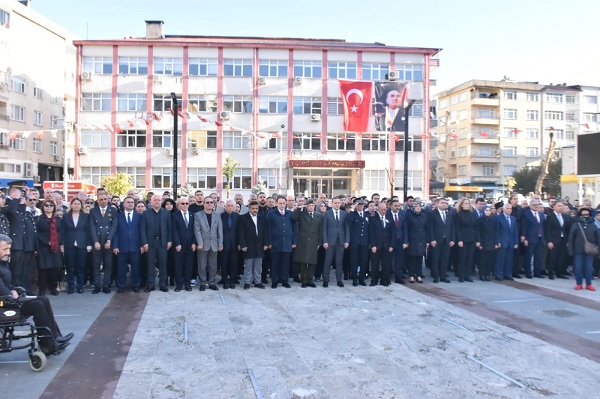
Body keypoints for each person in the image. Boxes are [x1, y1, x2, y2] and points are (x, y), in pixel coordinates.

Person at [0, 235, 73, 355]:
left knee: (43, 299)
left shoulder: (2, 263)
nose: (8, 252)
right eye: (4, 249)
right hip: (5, 305)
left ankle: (56, 337)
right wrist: (11, 294)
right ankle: (47, 345)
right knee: (37, 305)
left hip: (9, 299)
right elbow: (2, 289)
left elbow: (7, 283)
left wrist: (13, 290)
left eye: (9, 249)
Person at [6, 187, 37, 294]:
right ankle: (15, 290)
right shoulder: (8, 203)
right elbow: (11, 212)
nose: (22, 196)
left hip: (24, 244)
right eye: (21, 193)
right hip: (16, 243)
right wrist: (16, 198)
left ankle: (24, 289)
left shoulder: (18, 206)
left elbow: (21, 213)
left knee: (25, 269)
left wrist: (23, 200)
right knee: (16, 270)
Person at [60, 198, 92, 294]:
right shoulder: (66, 216)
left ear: (81, 205)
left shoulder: (85, 216)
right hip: (69, 244)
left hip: (82, 244)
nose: (77, 205)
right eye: (75, 204)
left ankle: (80, 286)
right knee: (70, 267)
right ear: (71, 205)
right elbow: (62, 231)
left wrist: (89, 244)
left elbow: (88, 231)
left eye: (78, 204)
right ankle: (70, 287)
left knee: (81, 267)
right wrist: (61, 244)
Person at [140, 195, 172, 292]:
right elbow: (142, 229)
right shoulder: (145, 213)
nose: (157, 202)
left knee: (163, 264)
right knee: (150, 265)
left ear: (161, 202)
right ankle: (151, 285)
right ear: (151, 202)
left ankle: (163, 285)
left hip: (162, 242)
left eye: (159, 200)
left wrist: (169, 240)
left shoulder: (166, 213)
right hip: (150, 243)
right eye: (155, 200)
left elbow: (169, 228)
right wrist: (144, 242)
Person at [89, 193, 118, 294]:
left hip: (108, 242)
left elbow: (114, 226)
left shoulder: (113, 210)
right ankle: (97, 286)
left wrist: (109, 240)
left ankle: (106, 285)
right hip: (97, 241)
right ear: (97, 201)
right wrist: (95, 241)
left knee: (108, 266)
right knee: (96, 265)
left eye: (105, 199)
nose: (103, 201)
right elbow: (92, 227)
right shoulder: (93, 211)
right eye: (101, 199)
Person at [112, 196, 143, 293]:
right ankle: (121, 285)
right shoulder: (118, 216)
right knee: (121, 267)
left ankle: (135, 285)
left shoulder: (139, 216)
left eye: (132, 202)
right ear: (123, 204)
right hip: (122, 246)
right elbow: (116, 232)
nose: (130, 204)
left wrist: (142, 245)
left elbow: (142, 232)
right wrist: (115, 246)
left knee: (136, 267)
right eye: (128, 202)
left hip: (135, 246)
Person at [266, 195, 297, 289]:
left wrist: (294, 241)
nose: (282, 205)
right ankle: (274, 281)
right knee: (275, 263)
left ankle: (284, 280)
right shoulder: (271, 214)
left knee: (285, 263)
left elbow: (295, 229)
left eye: (284, 203)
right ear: (276, 203)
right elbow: (268, 229)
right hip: (275, 243)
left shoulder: (290, 214)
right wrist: (269, 242)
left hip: (287, 243)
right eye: (280, 203)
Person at [194, 195, 223, 291]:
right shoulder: (198, 215)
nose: (210, 204)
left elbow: (220, 231)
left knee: (213, 265)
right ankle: (202, 283)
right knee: (202, 265)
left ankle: (212, 282)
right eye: (207, 202)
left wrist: (220, 244)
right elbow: (197, 230)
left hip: (214, 244)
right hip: (202, 244)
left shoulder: (217, 215)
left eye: (211, 202)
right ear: (204, 204)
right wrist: (200, 242)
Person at [237, 201, 268, 290]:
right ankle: (247, 282)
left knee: (258, 265)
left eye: (256, 208)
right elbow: (241, 233)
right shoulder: (243, 218)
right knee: (248, 265)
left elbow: (265, 231)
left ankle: (258, 282)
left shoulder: (262, 218)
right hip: (248, 245)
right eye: (253, 208)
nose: (255, 210)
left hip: (259, 245)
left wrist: (266, 243)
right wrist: (243, 245)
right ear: (249, 208)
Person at [292, 199, 322, 288]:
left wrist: (319, 243)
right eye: (309, 205)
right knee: (303, 262)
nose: (311, 207)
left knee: (312, 262)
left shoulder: (318, 216)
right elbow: (293, 217)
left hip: (314, 241)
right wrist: (298, 208)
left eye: (312, 205)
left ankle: (310, 280)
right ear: (306, 206)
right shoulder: (302, 214)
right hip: (303, 241)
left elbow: (320, 230)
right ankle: (304, 280)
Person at [568, 208, 600, 291]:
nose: (585, 216)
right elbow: (571, 238)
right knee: (578, 267)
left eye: (587, 215)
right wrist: (571, 250)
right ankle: (579, 283)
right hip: (578, 250)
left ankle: (589, 284)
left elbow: (598, 238)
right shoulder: (576, 224)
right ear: (580, 215)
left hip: (590, 250)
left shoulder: (593, 225)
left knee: (589, 267)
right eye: (583, 215)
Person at [36, 199, 63, 296]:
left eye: (51, 205)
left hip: (55, 247)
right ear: (43, 207)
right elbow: (37, 233)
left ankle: (53, 288)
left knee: (54, 269)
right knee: (43, 269)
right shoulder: (39, 219)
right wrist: (47, 241)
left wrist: (59, 242)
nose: (49, 207)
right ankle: (42, 289)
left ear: (54, 207)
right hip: (44, 246)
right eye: (46, 205)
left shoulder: (58, 219)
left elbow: (61, 232)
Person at [321, 197, 349, 288]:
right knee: (328, 261)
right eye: (335, 203)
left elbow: (347, 228)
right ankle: (326, 280)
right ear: (332, 204)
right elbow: (324, 229)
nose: (337, 204)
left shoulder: (344, 214)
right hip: (330, 241)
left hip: (340, 241)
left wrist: (347, 241)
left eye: (338, 203)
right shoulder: (327, 214)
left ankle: (339, 280)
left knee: (339, 261)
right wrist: (324, 241)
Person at [170, 197, 196, 292]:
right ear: (179, 205)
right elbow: (174, 230)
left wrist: (194, 243)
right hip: (179, 245)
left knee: (189, 265)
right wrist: (177, 243)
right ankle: (179, 284)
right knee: (178, 265)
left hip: (190, 245)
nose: (185, 205)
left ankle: (187, 284)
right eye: (183, 203)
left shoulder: (193, 215)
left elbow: (195, 231)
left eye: (186, 203)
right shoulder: (174, 215)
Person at [544, 200, 572, 280]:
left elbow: (565, 229)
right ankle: (550, 272)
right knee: (553, 257)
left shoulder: (564, 217)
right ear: (554, 207)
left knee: (561, 256)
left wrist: (567, 241)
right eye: (559, 206)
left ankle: (559, 272)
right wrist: (549, 241)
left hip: (563, 239)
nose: (561, 207)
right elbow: (548, 230)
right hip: (554, 240)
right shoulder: (550, 216)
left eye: (562, 206)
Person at [369, 203, 394, 286]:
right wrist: (373, 245)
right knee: (375, 264)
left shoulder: (389, 219)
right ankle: (374, 280)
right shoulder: (373, 219)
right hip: (376, 245)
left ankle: (384, 280)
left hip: (386, 245)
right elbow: (371, 233)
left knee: (386, 264)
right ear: (378, 210)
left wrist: (391, 245)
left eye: (385, 209)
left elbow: (392, 233)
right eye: (382, 210)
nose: (383, 211)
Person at [346, 199, 370, 286]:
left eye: (362, 205)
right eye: (358, 205)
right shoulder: (353, 214)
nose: (360, 206)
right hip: (355, 242)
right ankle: (355, 279)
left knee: (364, 261)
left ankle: (362, 278)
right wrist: (352, 209)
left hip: (364, 242)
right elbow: (348, 220)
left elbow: (369, 230)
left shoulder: (367, 216)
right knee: (354, 261)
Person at [454, 198, 478, 282]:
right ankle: (461, 275)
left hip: (472, 238)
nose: (467, 205)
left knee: (470, 258)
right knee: (462, 258)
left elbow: (476, 228)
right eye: (465, 203)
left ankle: (468, 275)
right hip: (463, 238)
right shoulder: (458, 215)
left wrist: (477, 240)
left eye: (468, 203)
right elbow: (457, 228)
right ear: (462, 205)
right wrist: (459, 240)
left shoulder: (473, 214)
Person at [403, 202, 428, 283]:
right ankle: (411, 275)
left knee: (420, 258)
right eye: (416, 206)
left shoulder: (424, 215)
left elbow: (426, 228)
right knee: (411, 258)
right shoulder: (409, 216)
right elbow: (406, 229)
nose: (418, 208)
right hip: (412, 239)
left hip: (421, 239)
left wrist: (427, 240)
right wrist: (406, 241)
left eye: (419, 206)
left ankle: (419, 275)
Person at [521, 200, 546, 278]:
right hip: (530, 238)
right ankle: (528, 272)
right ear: (530, 206)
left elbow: (542, 227)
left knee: (538, 256)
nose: (536, 206)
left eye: (537, 205)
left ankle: (537, 272)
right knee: (528, 256)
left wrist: (544, 238)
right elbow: (524, 227)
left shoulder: (541, 215)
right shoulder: (526, 215)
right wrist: (525, 238)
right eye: (534, 205)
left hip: (539, 238)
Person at [494, 203, 519, 281]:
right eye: (507, 208)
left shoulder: (513, 218)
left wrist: (516, 242)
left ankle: (507, 274)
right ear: (503, 209)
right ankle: (498, 274)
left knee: (509, 260)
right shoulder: (498, 218)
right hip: (502, 241)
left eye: (510, 209)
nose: (509, 210)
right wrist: (497, 241)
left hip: (511, 242)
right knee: (500, 259)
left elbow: (515, 231)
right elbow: (497, 231)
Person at [220, 199, 240, 289]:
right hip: (224, 244)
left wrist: (240, 243)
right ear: (225, 206)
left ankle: (232, 281)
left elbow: (240, 231)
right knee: (224, 263)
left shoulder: (238, 216)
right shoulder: (220, 216)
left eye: (232, 206)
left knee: (234, 263)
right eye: (228, 206)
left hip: (235, 244)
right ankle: (225, 281)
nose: (230, 207)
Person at [387, 199, 407, 284]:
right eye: (395, 206)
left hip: (400, 241)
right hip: (390, 241)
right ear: (391, 206)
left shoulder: (402, 214)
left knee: (399, 261)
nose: (397, 207)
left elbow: (405, 229)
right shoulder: (387, 214)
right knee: (388, 260)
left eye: (398, 206)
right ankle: (387, 277)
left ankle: (398, 277)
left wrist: (405, 241)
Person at [476, 207, 497, 281]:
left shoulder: (493, 220)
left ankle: (487, 274)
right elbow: (478, 232)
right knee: (482, 260)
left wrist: (496, 242)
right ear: (483, 211)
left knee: (489, 260)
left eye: (489, 210)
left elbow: (495, 231)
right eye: (486, 210)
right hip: (483, 242)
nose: (488, 212)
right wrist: (479, 242)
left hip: (491, 242)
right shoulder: (479, 220)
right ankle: (481, 274)